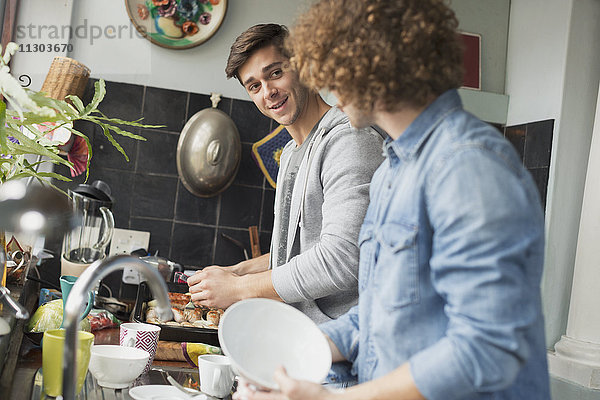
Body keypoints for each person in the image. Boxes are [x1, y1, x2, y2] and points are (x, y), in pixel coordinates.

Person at [234, 1, 551, 399]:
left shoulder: (469, 166)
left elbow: (486, 348)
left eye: (335, 67)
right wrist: (283, 360)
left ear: (376, 63)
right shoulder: (391, 172)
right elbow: (373, 319)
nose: (328, 85)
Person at [187, 23, 385, 324]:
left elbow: (342, 259)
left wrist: (239, 288)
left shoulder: (349, 140)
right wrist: (237, 271)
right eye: (254, 86)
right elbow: (300, 252)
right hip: (301, 340)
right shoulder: (292, 153)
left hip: (347, 349)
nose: (268, 92)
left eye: (275, 73)